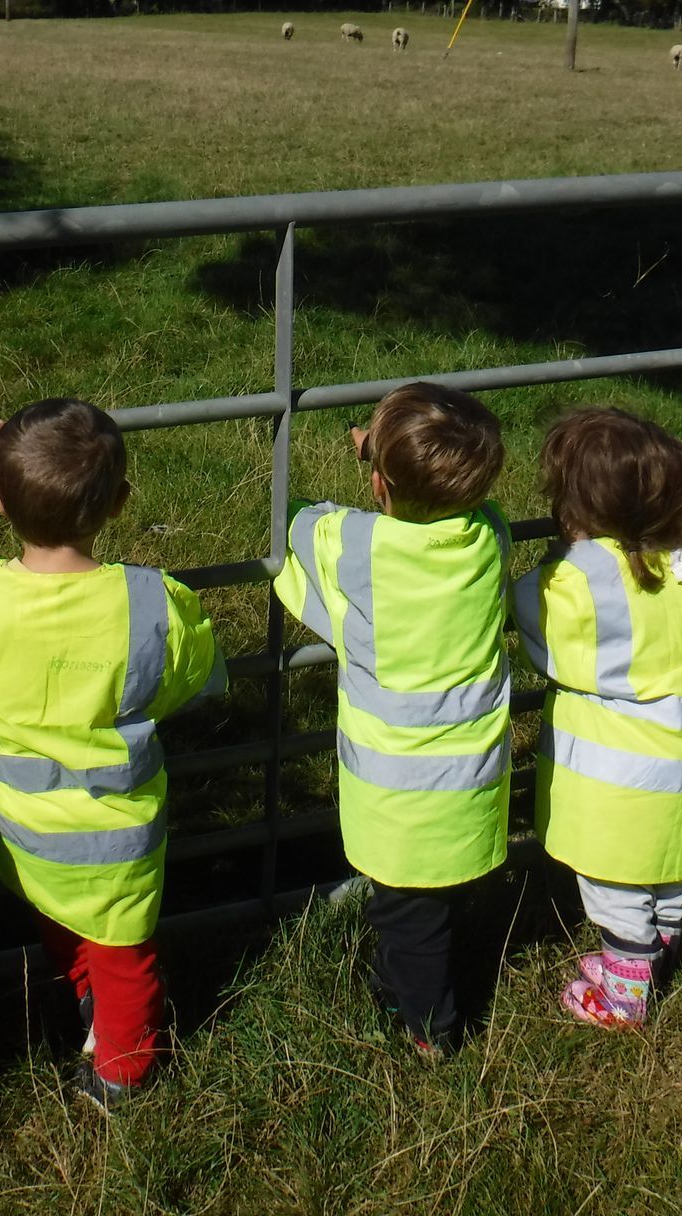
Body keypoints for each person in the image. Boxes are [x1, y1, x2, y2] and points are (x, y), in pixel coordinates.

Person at [0, 399, 224, 1107]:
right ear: (120, 502)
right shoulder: (152, 602)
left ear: (4, 500)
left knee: (62, 920)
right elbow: (193, 681)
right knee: (127, 953)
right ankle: (122, 1073)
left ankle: (85, 999)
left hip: (24, 826)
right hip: (114, 832)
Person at [275, 381, 512, 1056]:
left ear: (377, 484)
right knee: (438, 903)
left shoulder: (354, 547)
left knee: (409, 918)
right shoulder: (487, 536)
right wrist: (385, 462)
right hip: (469, 778)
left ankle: (431, 1033)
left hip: (399, 798)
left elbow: (294, 522)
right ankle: (413, 989)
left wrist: (373, 461)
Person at [512, 408, 682, 1028]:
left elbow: (533, 624)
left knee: (616, 884)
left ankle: (626, 997)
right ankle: (660, 950)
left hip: (613, 772)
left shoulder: (571, 583)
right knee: (668, 868)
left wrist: (559, 556)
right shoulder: (681, 561)